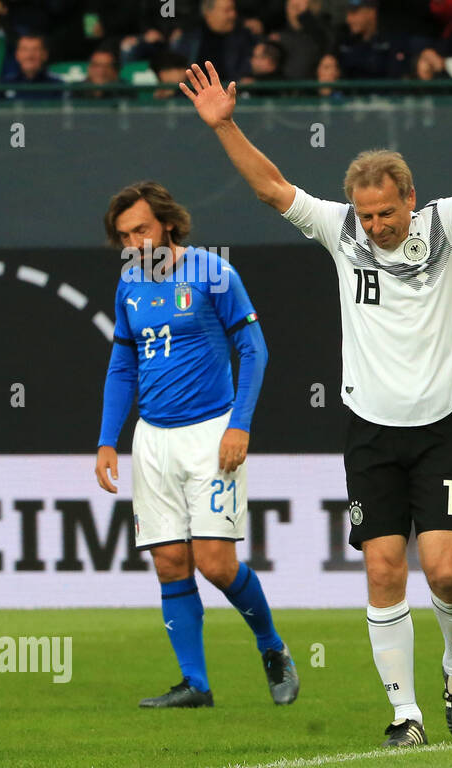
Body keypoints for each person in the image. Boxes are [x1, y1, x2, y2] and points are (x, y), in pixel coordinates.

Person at [179, 56, 452, 747]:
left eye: (385, 212)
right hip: (371, 431)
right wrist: (225, 127)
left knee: (447, 570)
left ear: (409, 198)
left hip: (439, 430)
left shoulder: (446, 228)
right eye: (366, 214)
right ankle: (406, 714)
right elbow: (273, 187)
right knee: (381, 565)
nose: (375, 225)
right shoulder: (340, 232)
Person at [96, 180, 298, 709]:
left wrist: (240, 424)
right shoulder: (128, 286)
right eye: (124, 236)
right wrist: (106, 441)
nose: (134, 243)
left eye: (141, 229)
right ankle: (196, 684)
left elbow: (253, 349)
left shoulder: (212, 272)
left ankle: (271, 646)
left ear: (166, 222)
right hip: (153, 439)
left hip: (211, 433)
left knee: (215, 563)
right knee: (168, 562)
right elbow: (123, 365)